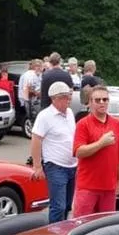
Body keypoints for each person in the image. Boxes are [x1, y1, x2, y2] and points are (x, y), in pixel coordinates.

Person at [71, 86, 119, 216]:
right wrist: (101, 143)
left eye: (105, 99)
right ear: (90, 103)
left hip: (109, 188)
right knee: (81, 226)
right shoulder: (83, 124)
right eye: (98, 100)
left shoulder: (117, 124)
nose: (102, 102)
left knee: (105, 228)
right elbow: (78, 152)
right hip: (87, 187)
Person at [30, 81, 78, 222]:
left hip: (72, 165)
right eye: (64, 97)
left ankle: (62, 233)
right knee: (58, 206)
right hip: (55, 166)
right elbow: (36, 139)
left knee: (68, 205)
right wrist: (37, 166)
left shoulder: (69, 113)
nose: (68, 100)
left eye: (69, 96)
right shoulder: (45, 116)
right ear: (54, 98)